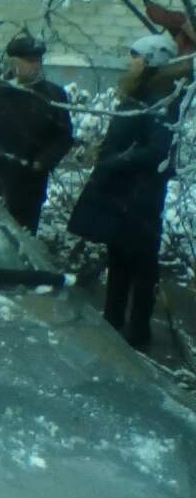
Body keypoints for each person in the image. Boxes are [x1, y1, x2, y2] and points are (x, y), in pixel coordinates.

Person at [67, 33, 185, 349]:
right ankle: (113, 319)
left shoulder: (159, 99)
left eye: (135, 56)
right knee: (118, 256)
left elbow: (158, 149)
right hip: (123, 193)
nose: (129, 61)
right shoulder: (140, 93)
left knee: (141, 264)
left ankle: (138, 332)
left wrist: (116, 160)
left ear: (150, 61)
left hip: (139, 196)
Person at [0, 34, 74, 232]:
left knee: (24, 236)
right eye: (29, 60)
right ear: (13, 61)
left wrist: (42, 162)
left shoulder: (53, 95)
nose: (35, 65)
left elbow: (63, 136)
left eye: (38, 60)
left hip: (29, 183)